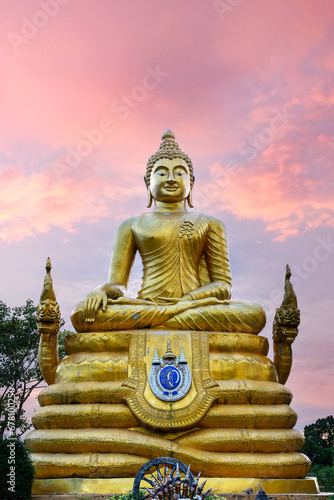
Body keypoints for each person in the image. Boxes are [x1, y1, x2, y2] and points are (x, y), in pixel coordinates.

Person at [71, 130, 265, 333]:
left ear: (192, 182)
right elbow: (119, 285)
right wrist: (100, 290)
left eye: (180, 172)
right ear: (148, 183)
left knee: (254, 314)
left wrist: (186, 302)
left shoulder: (210, 223)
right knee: (82, 313)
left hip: (193, 307)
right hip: (149, 305)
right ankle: (167, 320)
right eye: (162, 172)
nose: (171, 179)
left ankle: (156, 324)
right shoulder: (132, 224)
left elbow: (223, 286)